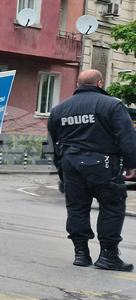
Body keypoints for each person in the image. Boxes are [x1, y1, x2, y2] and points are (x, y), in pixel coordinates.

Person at [47, 69, 136, 271]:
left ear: (77, 85)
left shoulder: (59, 109)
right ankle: (108, 256)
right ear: (100, 83)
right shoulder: (112, 105)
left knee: (77, 207)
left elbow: (50, 144)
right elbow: (127, 137)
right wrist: (131, 164)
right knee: (112, 206)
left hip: (71, 162)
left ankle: (81, 253)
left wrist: (61, 168)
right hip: (103, 162)